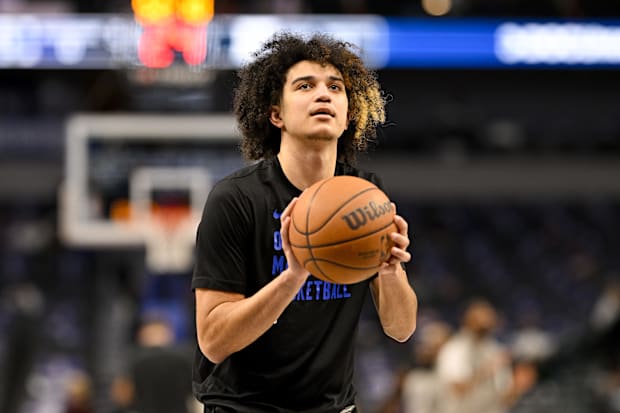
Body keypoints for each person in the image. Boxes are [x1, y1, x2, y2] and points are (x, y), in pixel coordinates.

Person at [191, 32, 418, 412]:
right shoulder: (236, 199)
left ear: (348, 116)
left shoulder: (366, 194)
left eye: (335, 87)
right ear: (275, 113)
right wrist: (293, 275)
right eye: (305, 85)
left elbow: (401, 329)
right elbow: (213, 340)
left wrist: (390, 270)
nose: (324, 94)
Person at [434, 299, 536, 413]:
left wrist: (517, 388)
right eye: (481, 318)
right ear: (468, 320)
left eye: (489, 318)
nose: (487, 322)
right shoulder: (454, 349)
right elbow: (456, 390)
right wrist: (485, 371)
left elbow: (502, 399)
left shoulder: (495, 350)